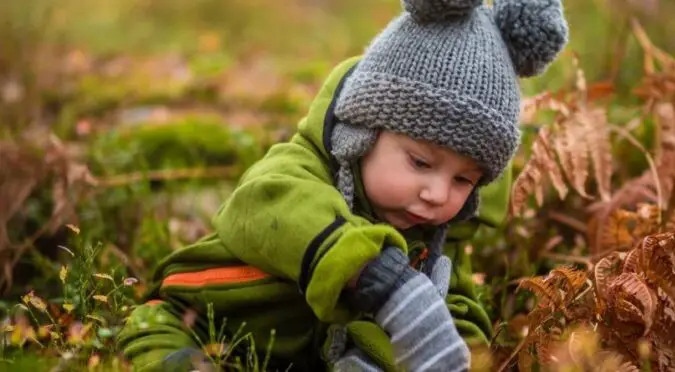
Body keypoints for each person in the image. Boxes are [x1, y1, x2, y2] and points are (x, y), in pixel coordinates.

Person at [116, 0, 568, 370]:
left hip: (298, 357)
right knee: (172, 357)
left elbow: (457, 317)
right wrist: (376, 276)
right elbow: (263, 207)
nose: (436, 193)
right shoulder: (300, 171)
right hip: (196, 319)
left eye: (463, 180)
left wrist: (435, 352)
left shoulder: (433, 242)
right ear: (362, 133)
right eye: (419, 162)